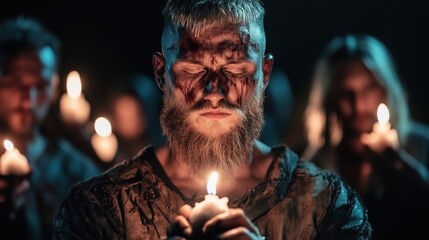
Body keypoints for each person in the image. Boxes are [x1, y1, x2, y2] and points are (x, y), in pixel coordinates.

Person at [52, 1, 372, 239]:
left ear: (263, 74)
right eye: (192, 70)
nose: (215, 92)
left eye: (235, 71)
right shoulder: (100, 209)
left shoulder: (326, 205)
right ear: (162, 73)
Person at [301, 34, 429, 239]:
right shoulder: (307, 164)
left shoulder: (423, 148)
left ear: (387, 88)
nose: (358, 106)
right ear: (328, 99)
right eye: (345, 93)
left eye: (368, 88)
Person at [0, 17, 102, 240]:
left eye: (40, 85)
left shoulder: (77, 169)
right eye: (14, 82)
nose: (28, 98)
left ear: (55, 88)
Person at [107, 73, 165, 163]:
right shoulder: (110, 149)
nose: (125, 126)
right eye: (121, 119)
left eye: (130, 119)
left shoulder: (161, 153)